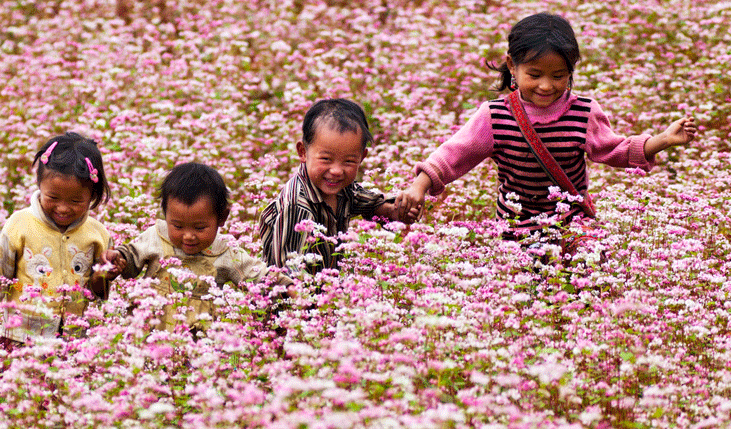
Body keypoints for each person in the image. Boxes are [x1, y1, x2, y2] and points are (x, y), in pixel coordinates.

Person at [396, 13, 697, 250]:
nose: (546, 85)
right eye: (535, 74)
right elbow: (455, 154)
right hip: (515, 226)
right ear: (512, 66)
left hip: (572, 221)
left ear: (572, 71)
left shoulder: (585, 112)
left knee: (589, 271)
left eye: (559, 76)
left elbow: (613, 149)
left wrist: (664, 140)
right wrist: (419, 186)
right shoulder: (495, 115)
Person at [103, 162, 292, 331]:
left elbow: (259, 275)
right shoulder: (156, 236)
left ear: (222, 218)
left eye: (200, 228)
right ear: (165, 214)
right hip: (150, 327)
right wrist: (118, 259)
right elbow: (131, 255)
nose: (188, 236)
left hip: (199, 336)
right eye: (177, 226)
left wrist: (289, 287)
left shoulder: (225, 251)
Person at [0, 132, 113, 342]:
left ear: (93, 195)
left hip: (76, 339)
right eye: (53, 197)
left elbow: (98, 292)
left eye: (75, 201)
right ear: (39, 185)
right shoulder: (20, 224)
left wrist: (104, 275)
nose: (63, 208)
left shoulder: (98, 234)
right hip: (22, 335)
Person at [259, 98, 420, 274]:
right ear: (303, 151)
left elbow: (369, 202)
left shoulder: (344, 189)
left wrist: (393, 210)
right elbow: (285, 272)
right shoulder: (297, 206)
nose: (336, 171)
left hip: (330, 293)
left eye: (349, 161)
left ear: (362, 157)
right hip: (299, 295)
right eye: (326, 159)